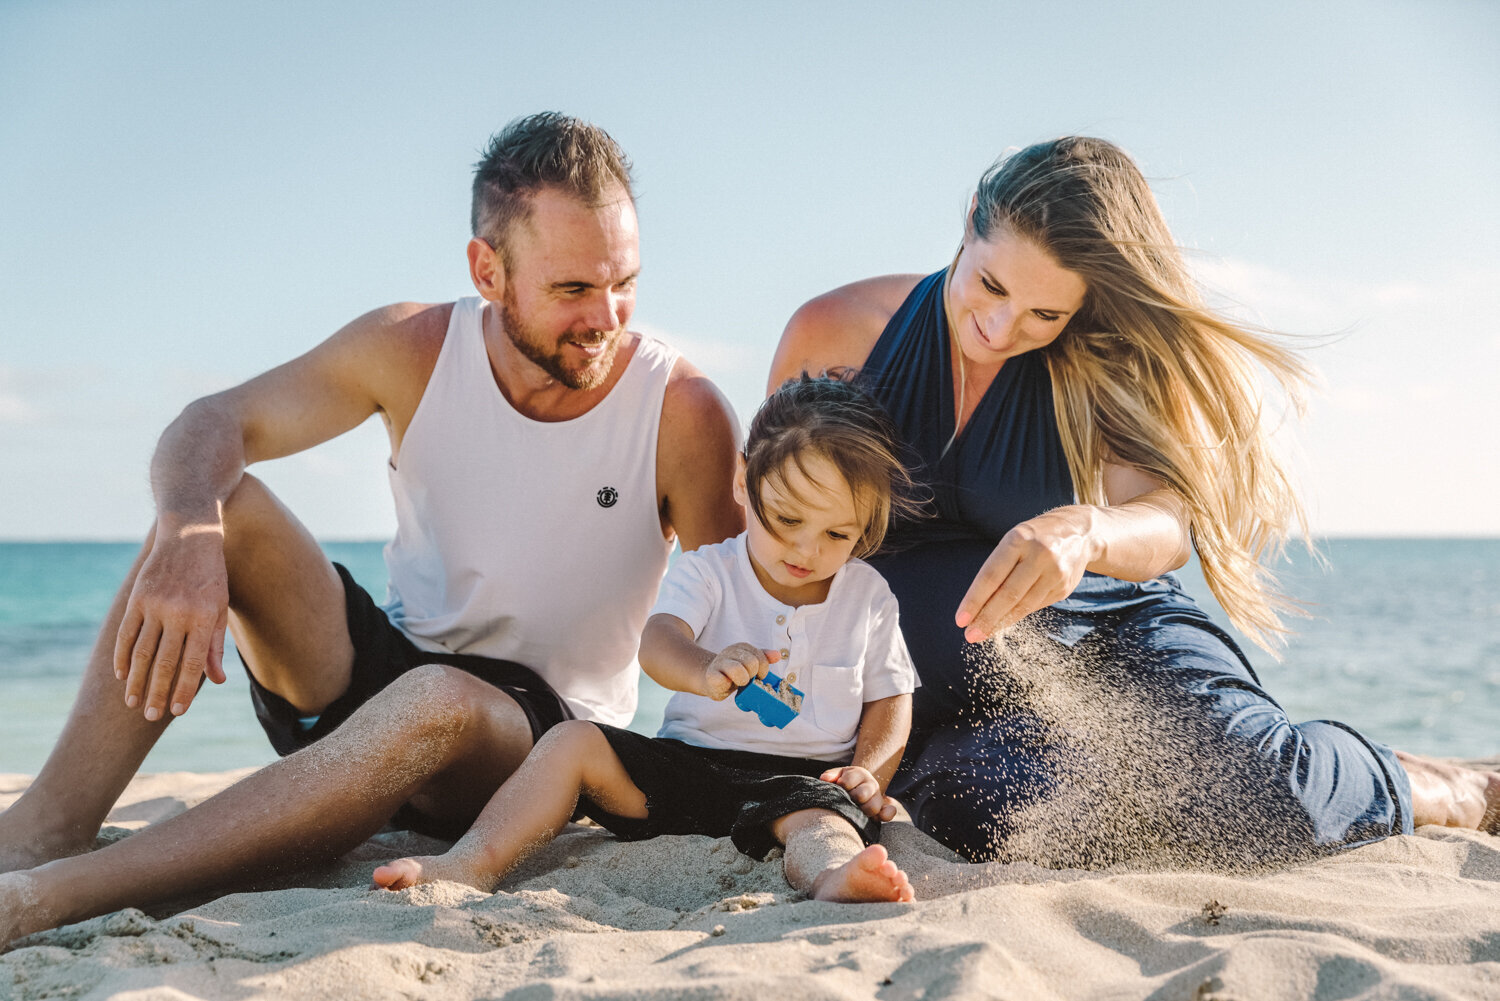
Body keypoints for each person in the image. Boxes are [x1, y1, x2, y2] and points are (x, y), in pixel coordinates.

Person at [0, 112, 743, 942]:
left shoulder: (681, 413)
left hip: (538, 740)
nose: (607, 316)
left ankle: (56, 893)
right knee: (225, 506)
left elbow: (738, 616)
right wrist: (185, 534)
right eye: (573, 289)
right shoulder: (413, 347)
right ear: (488, 270)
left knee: (442, 698)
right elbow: (214, 421)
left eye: (625, 282)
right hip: (381, 677)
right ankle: (43, 830)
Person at [769, 137, 1500, 865]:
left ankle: (1442, 786)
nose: (1001, 327)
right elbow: (761, 532)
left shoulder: (1096, 358)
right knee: (999, 811)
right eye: (991, 286)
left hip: (1108, 637)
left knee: (1265, 800)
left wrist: (1088, 530)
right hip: (933, 703)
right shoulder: (837, 332)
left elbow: (1169, 517)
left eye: (1043, 314)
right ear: (969, 222)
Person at [373, 375, 922, 903]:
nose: (806, 550)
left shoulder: (866, 596)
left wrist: (867, 775)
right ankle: (471, 862)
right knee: (571, 741)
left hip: (797, 787)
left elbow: (891, 698)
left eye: (837, 534)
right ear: (741, 479)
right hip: (686, 773)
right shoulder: (711, 571)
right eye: (786, 519)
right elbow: (659, 641)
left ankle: (834, 877)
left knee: (824, 822)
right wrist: (704, 667)